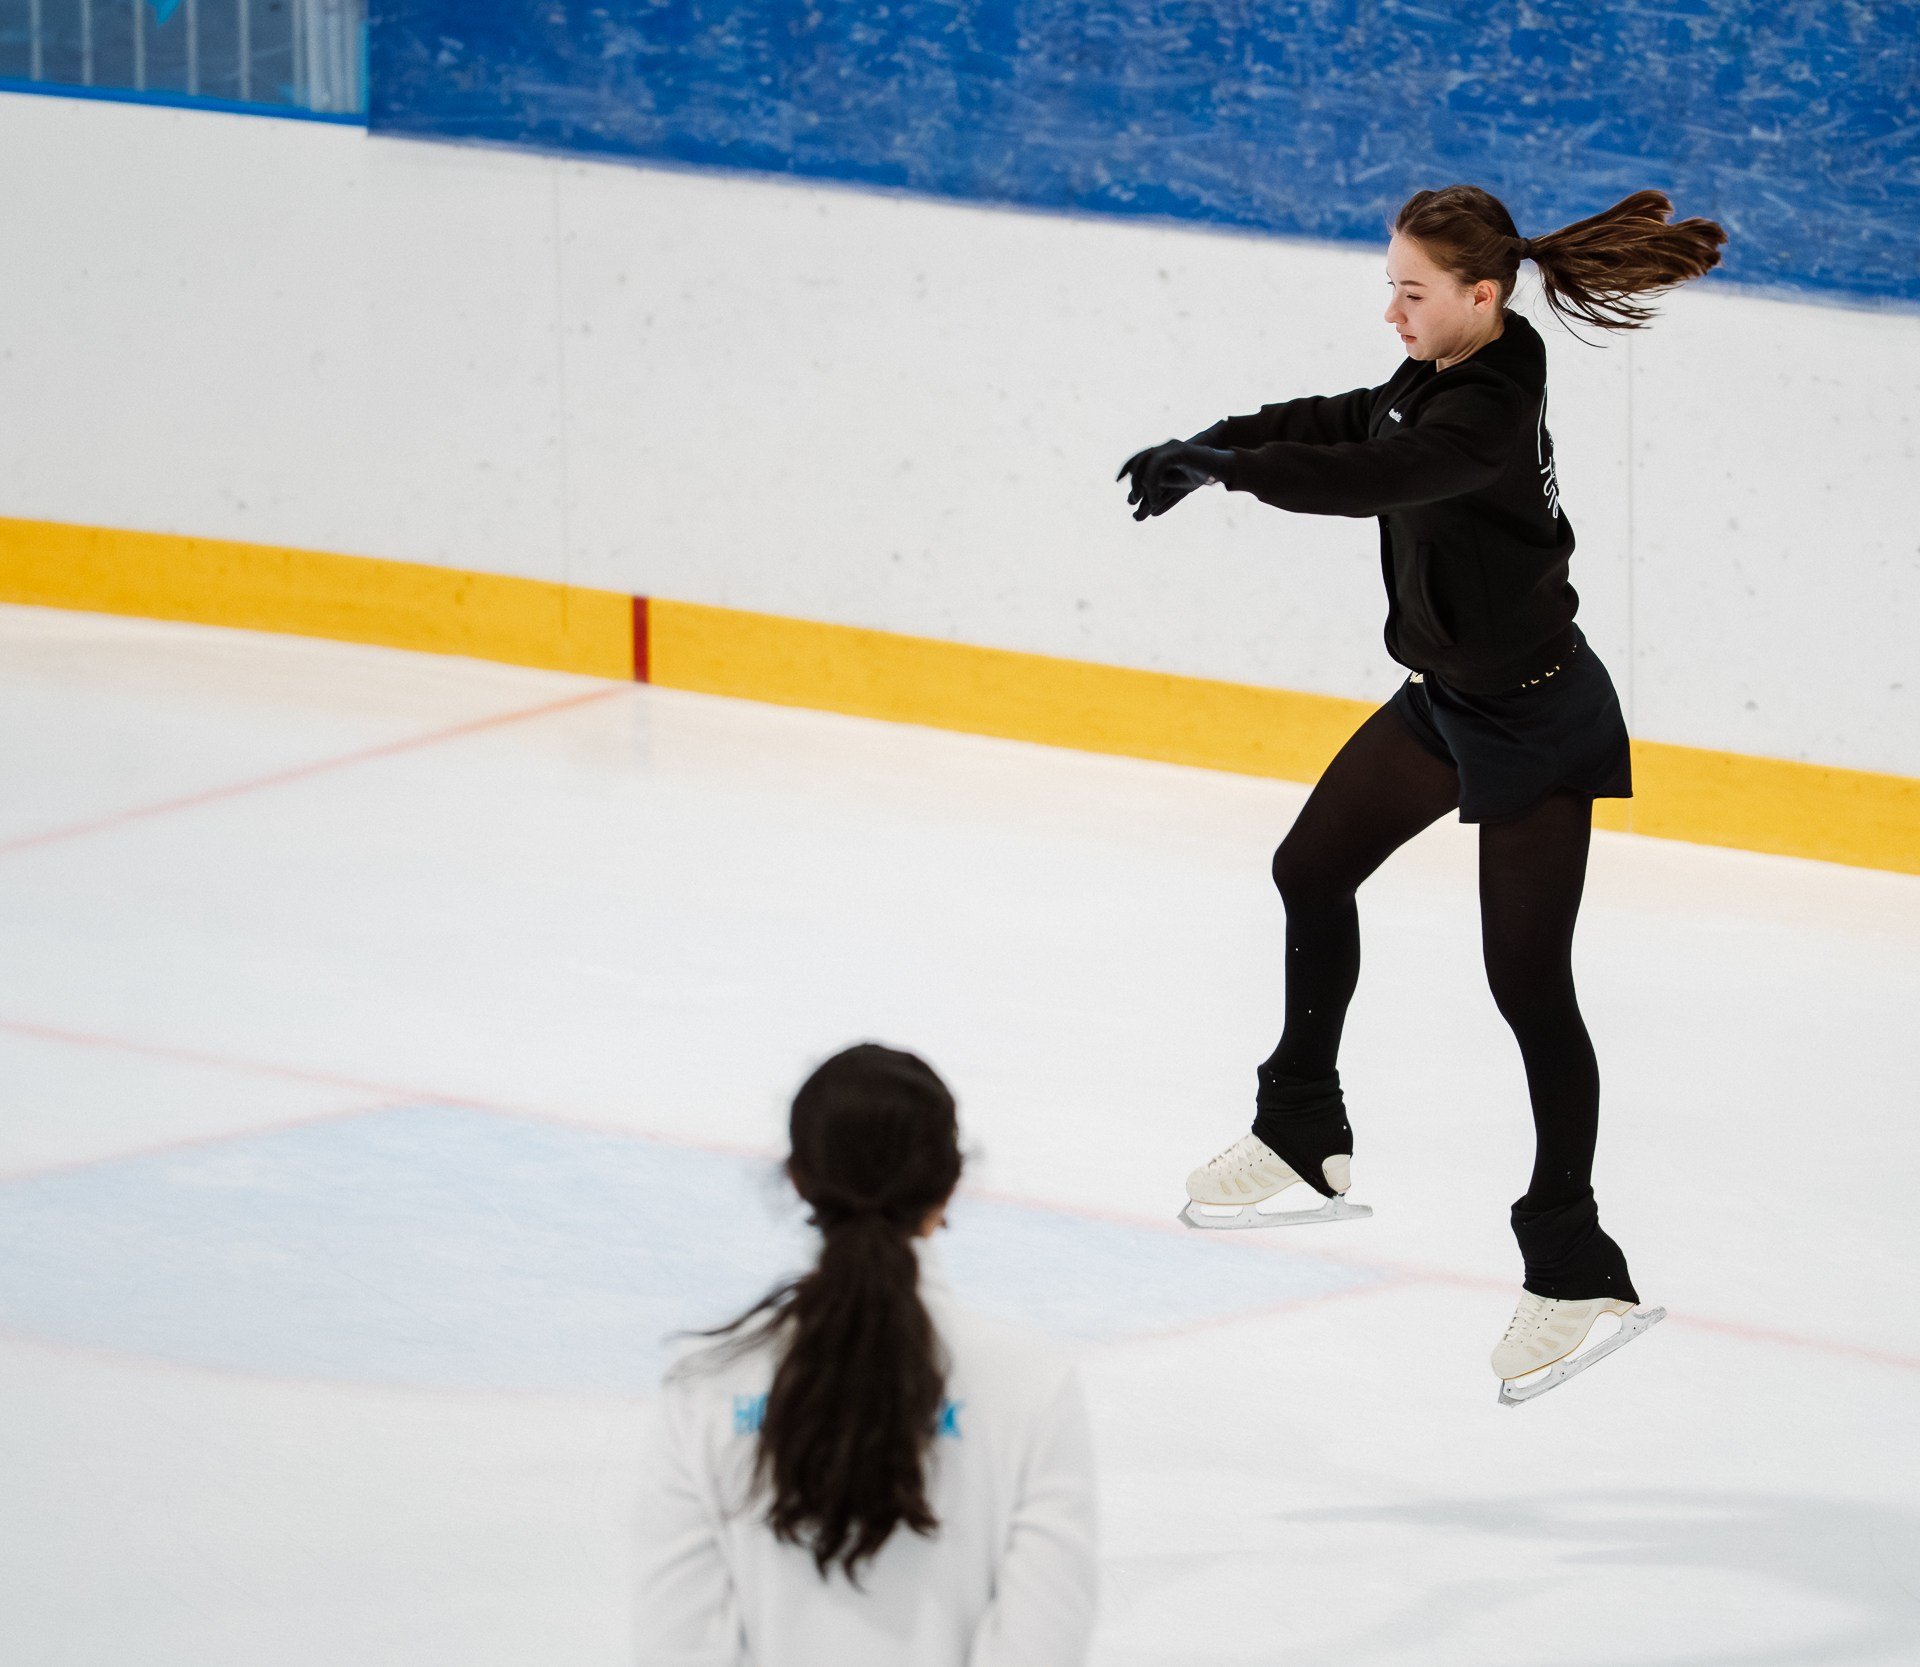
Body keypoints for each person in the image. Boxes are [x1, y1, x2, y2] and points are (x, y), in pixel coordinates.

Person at [1119, 185, 1724, 1401]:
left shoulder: (1484, 415)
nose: (1389, 308)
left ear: (1480, 297)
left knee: (1527, 984)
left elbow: (1372, 471)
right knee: (1309, 866)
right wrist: (1212, 440)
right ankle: (1301, 1128)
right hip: (1449, 700)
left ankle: (1571, 1262)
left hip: (1540, 719)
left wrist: (1235, 470)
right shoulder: (1446, 368)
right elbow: (1349, 419)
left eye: (1411, 289)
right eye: (1388, 283)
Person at [633, 1044, 1096, 1664]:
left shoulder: (705, 1389)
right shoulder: (1032, 1384)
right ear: (950, 1184)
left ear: (798, 1179)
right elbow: (1041, 1647)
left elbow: (676, 1647)